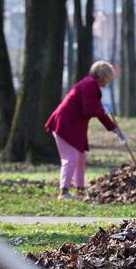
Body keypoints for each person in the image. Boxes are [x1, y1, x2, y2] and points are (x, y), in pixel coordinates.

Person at [44, 61, 125, 200]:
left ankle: (80, 190)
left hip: (75, 126)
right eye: (109, 77)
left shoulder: (92, 85)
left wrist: (115, 130)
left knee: (80, 157)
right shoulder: (90, 85)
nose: (109, 80)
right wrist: (103, 109)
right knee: (71, 158)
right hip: (64, 124)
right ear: (103, 75)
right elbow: (90, 110)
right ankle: (63, 191)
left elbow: (98, 113)